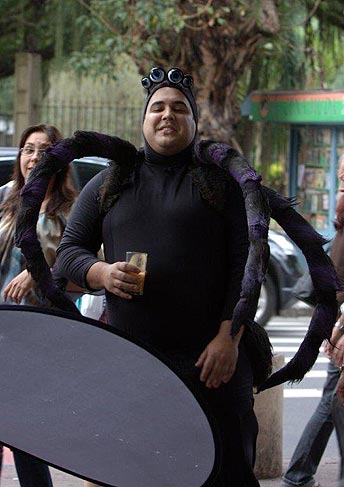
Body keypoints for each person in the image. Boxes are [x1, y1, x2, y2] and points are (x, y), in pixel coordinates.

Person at [53, 67, 260, 486]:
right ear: (144, 119)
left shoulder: (221, 183)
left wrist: (229, 337)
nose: (168, 115)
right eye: (158, 107)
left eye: (179, 108)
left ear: (194, 121)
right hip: (134, 365)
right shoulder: (109, 182)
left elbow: (249, 263)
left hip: (211, 363)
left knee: (226, 471)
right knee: (136, 472)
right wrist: (100, 272)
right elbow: (66, 256)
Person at [0, 123, 76, 487]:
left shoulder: (73, 210)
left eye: (44, 151)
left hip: (41, 334)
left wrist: (38, 272)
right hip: (1, 328)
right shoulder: (4, 198)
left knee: (24, 437)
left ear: (59, 161)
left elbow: (87, 263)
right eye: (28, 149)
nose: (34, 158)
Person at [282, 151, 344, 487]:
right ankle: (299, 473)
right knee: (336, 399)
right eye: (342, 179)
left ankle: (299, 473)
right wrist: (338, 328)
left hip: (338, 323)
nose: (343, 186)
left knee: (336, 400)